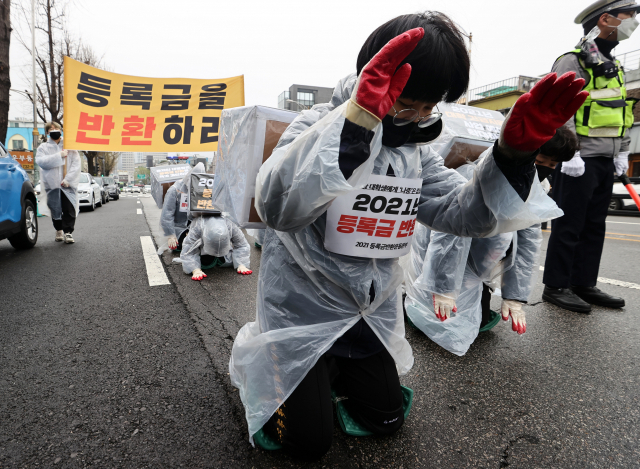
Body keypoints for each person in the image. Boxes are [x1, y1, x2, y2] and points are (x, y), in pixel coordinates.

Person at [229, 12, 586, 460]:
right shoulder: (317, 125)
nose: (416, 118)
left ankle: (330, 373)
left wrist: (512, 155)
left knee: (386, 419)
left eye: (428, 107)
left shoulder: (415, 153)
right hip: (303, 311)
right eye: (406, 104)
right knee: (307, 444)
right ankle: (280, 373)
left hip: (367, 312)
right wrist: (356, 125)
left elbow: (463, 214)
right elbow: (278, 206)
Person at [404, 126, 580, 355]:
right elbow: (450, 233)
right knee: (430, 317)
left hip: (479, 260)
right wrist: (443, 287)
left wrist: (515, 296)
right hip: (441, 256)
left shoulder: (537, 186)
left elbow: (527, 242)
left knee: (476, 323)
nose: (544, 169)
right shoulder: (474, 175)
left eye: (552, 166)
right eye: (540, 161)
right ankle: (418, 300)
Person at [542, 0, 638, 313]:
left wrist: (623, 151)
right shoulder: (573, 60)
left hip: (606, 159)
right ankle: (556, 285)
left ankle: (584, 283)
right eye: (628, 16)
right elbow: (560, 107)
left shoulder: (614, 65)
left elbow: (622, 112)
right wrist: (570, 152)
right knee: (569, 223)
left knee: (595, 225)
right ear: (606, 19)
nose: (634, 22)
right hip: (579, 160)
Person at [35, 122, 81, 244]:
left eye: (56, 128)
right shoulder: (43, 148)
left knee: (69, 208)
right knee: (55, 209)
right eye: (51, 129)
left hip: (67, 185)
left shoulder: (69, 146)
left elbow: (76, 164)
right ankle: (59, 230)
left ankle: (68, 232)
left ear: (61, 130)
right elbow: (41, 162)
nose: (54, 130)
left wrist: (68, 179)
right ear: (47, 132)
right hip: (52, 185)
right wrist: (58, 156)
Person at [179, 215, 252, 280]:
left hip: (225, 255)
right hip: (204, 255)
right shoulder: (198, 226)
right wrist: (195, 269)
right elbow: (188, 249)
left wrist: (241, 264)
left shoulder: (230, 225)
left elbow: (242, 244)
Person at [160, 163, 205, 251]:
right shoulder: (175, 190)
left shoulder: (203, 189)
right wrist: (170, 235)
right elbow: (167, 214)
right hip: (179, 229)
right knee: (185, 248)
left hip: (196, 228)